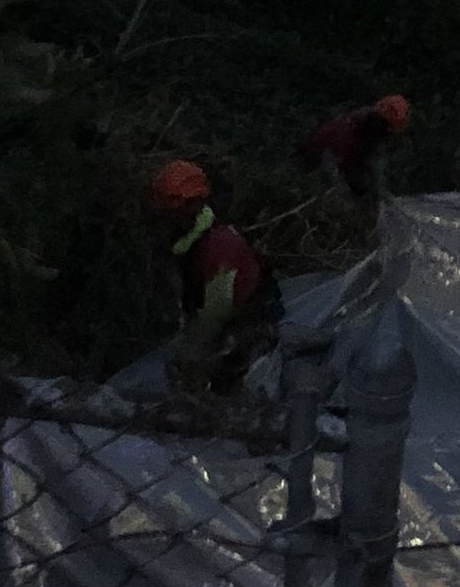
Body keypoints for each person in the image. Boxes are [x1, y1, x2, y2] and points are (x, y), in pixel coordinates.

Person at [146, 159, 282, 391]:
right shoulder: (189, 244)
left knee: (212, 374)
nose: (169, 219)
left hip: (251, 328)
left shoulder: (219, 246)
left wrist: (191, 353)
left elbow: (217, 310)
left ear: (195, 205)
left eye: (175, 212)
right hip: (225, 323)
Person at [298, 93, 411, 222]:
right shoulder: (345, 135)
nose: (387, 137)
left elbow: (371, 164)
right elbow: (332, 175)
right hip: (320, 170)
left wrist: (381, 193)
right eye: (387, 130)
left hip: (340, 166)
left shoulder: (365, 128)